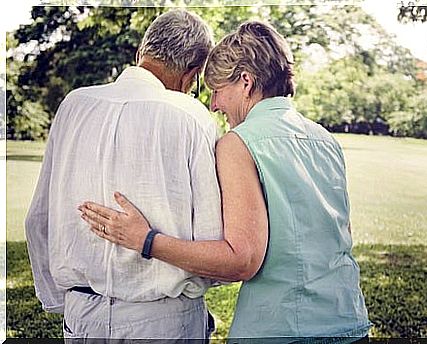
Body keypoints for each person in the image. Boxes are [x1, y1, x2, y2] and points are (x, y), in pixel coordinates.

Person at [80, 21, 372, 343]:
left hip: (282, 329)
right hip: (349, 321)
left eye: (218, 90)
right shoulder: (324, 139)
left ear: (246, 82)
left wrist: (145, 240)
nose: (214, 104)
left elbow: (241, 259)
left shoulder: (239, 142)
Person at [25, 9, 221, 341]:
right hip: (163, 316)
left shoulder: (73, 105)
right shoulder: (192, 117)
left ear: (140, 53)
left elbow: (38, 220)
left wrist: (66, 301)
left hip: (82, 311)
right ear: (193, 74)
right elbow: (211, 237)